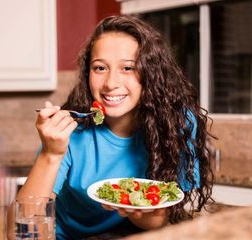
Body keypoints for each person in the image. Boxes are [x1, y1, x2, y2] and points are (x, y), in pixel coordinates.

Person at [13, 15, 214, 239]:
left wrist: (136, 211)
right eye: (100, 68)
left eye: (128, 68)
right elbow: (21, 234)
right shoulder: (71, 130)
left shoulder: (177, 123)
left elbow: (159, 219)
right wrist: (51, 154)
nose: (110, 83)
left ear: (152, 73)